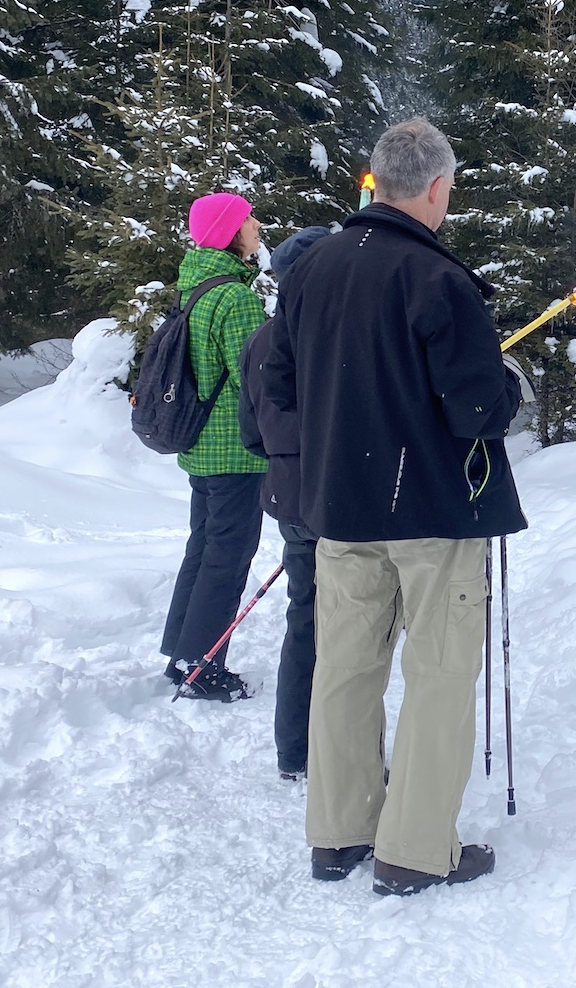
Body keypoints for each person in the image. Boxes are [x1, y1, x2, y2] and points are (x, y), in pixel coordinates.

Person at [262, 118, 528, 896]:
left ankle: (338, 833)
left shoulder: (312, 270)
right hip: (432, 511)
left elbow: (277, 385)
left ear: (376, 181)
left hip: (343, 506)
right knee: (440, 671)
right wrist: (506, 382)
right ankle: (414, 848)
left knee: (345, 668)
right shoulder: (437, 279)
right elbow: (479, 409)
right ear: (439, 187)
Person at [159, 192, 269, 702]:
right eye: (249, 219)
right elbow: (259, 380)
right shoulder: (237, 299)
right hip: (234, 452)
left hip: (199, 446)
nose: (258, 226)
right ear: (230, 231)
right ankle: (203, 668)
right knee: (227, 558)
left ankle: (181, 657)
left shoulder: (194, 283)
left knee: (202, 549)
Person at [237, 225, 328, 778]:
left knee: (306, 622)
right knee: (340, 630)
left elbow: (252, 433)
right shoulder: (330, 338)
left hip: (289, 497)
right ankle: (320, 754)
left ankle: (295, 751)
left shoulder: (263, 339)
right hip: (331, 499)